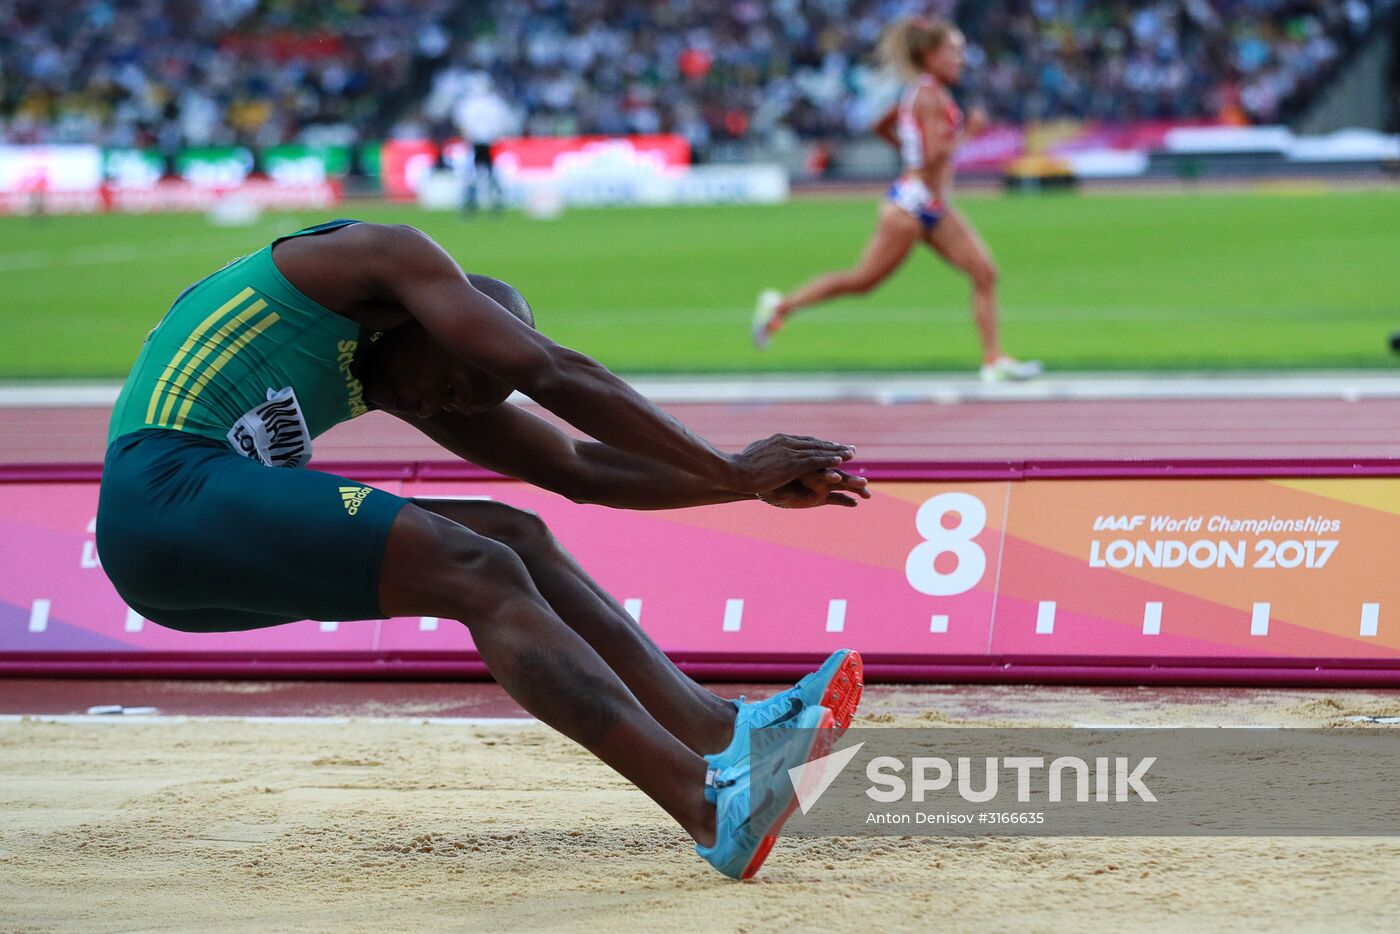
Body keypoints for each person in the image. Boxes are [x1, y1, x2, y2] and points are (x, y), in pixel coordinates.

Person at [95, 219, 869, 879]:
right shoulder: (376, 258)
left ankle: (722, 733)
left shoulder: (404, 365)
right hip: (162, 493)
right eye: (454, 385)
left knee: (511, 536)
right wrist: (726, 464)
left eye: (462, 404)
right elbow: (549, 369)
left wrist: (744, 487)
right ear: (440, 325)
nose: (442, 408)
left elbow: (574, 467)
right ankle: (708, 806)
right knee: (479, 569)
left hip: (185, 549)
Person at [752, 17, 1041, 383]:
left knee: (984, 272)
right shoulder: (931, 96)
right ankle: (779, 306)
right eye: (952, 50)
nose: (960, 58)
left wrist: (910, 152)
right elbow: (935, 155)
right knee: (862, 281)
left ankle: (993, 360)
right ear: (928, 54)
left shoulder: (920, 92)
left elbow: (883, 126)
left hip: (931, 205)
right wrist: (969, 133)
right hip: (910, 207)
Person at [453, 75, 515, 214]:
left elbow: (461, 124)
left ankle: (471, 203)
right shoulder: (495, 102)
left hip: (475, 143)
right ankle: (496, 202)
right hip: (491, 143)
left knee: (473, 174)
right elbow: (503, 122)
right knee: (491, 173)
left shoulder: (467, 103)